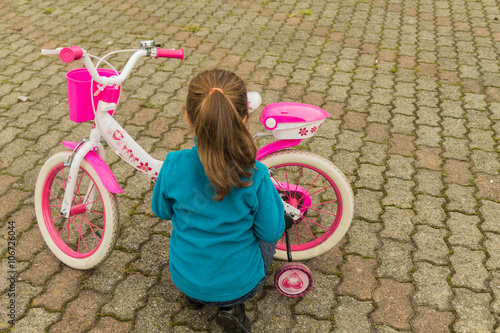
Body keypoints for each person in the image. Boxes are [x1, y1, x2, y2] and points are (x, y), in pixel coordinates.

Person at [151, 69, 285, 333]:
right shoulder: (254, 173)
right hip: (238, 286)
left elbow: (162, 211)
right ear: (244, 118)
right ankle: (232, 308)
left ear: (189, 116)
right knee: (267, 243)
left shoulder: (172, 164)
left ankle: (194, 298)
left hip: (184, 278)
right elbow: (271, 231)